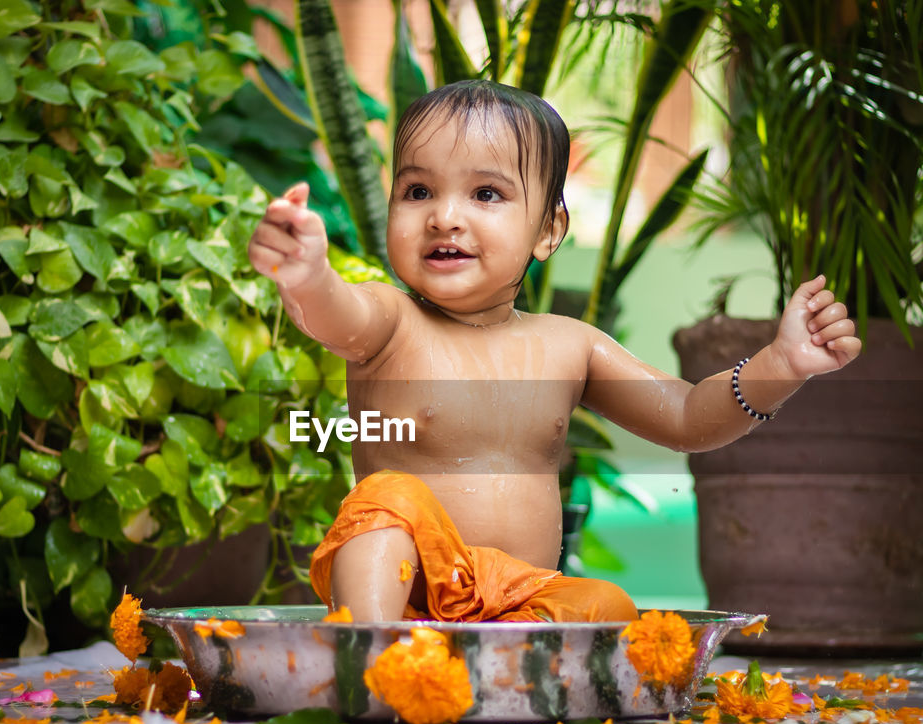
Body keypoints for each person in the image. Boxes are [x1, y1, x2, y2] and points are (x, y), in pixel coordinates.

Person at [248, 80, 860, 624]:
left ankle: (511, 668)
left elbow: (687, 419)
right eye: (417, 191)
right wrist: (304, 275)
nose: (444, 217)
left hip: (519, 599)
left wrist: (780, 364)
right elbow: (334, 312)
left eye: (486, 194)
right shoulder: (390, 321)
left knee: (609, 609)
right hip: (406, 598)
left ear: (548, 231)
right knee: (388, 501)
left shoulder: (569, 345)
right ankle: (373, 655)